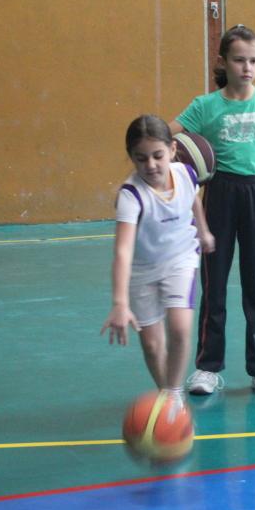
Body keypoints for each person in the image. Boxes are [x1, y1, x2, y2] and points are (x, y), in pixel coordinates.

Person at [170, 24, 255, 397]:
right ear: (223, 61)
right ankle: (208, 368)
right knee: (215, 285)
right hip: (219, 195)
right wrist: (162, 157)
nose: (247, 67)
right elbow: (168, 135)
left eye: (254, 60)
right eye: (239, 60)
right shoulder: (205, 106)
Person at [101, 115, 215, 410]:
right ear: (132, 159)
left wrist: (202, 230)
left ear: (172, 150)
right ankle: (165, 389)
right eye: (141, 159)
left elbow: (193, 199)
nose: (150, 165)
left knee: (179, 327)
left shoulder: (187, 174)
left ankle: (174, 392)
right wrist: (119, 303)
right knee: (152, 345)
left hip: (180, 258)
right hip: (142, 270)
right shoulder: (131, 196)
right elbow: (123, 251)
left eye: (157, 156)